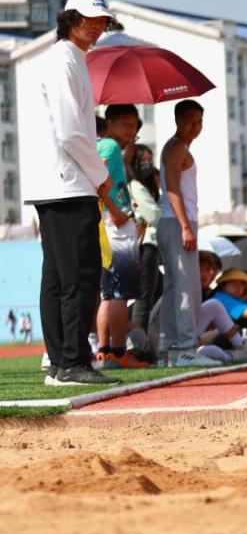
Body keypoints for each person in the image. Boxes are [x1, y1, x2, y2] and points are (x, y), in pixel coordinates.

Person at [24, 0, 123, 385]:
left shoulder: (71, 59)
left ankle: (60, 361)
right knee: (78, 275)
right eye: (89, 20)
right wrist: (101, 177)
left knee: (59, 275)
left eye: (102, 22)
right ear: (71, 20)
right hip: (67, 183)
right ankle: (72, 362)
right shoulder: (64, 61)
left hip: (61, 182)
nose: (96, 27)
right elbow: (70, 132)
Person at [157, 99, 219, 367]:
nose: (195, 126)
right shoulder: (175, 148)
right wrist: (185, 226)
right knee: (185, 288)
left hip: (177, 221)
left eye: (199, 121)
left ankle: (170, 349)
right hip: (176, 221)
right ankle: (184, 348)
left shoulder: (178, 147)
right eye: (189, 121)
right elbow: (172, 188)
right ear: (177, 121)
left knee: (176, 287)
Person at [95, 104, 146, 368]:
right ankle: (118, 352)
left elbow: (110, 176)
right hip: (116, 222)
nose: (131, 128)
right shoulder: (110, 146)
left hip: (110, 221)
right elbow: (98, 178)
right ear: (110, 123)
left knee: (108, 293)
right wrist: (115, 211)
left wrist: (126, 159)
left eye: (134, 123)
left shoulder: (110, 147)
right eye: (125, 122)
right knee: (120, 293)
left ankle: (105, 351)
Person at [128, 143, 163, 334]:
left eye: (150, 160)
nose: (147, 164)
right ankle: (137, 342)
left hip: (147, 245)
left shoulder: (144, 187)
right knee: (143, 300)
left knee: (147, 299)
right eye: (143, 160)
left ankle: (141, 339)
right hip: (145, 247)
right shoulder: (136, 186)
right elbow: (154, 215)